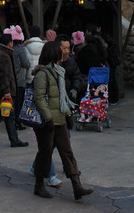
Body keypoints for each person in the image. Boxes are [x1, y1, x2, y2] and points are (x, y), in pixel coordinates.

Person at [32, 41, 93, 201]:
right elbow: (39, 99)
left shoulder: (59, 72)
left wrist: (67, 115)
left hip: (59, 120)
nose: (63, 53)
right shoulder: (42, 74)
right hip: (48, 122)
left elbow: (61, 97)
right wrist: (48, 118)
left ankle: (76, 186)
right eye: (60, 51)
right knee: (45, 154)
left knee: (67, 152)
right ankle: (39, 185)